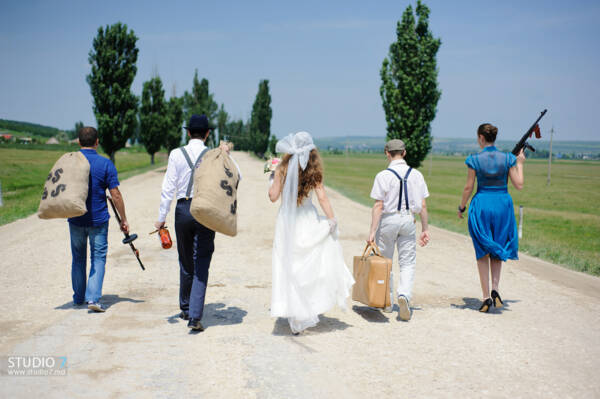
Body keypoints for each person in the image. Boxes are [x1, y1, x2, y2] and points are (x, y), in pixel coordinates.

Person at [155, 114, 236, 331]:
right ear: (208, 133)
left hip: (183, 210)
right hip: (206, 210)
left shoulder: (175, 154)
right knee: (201, 261)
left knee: (185, 260)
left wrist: (161, 218)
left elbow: (167, 189)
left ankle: (185, 306)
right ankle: (195, 316)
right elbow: (237, 175)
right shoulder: (213, 155)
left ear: (188, 132)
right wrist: (226, 153)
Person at [269, 131, 354, 334]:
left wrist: (272, 177)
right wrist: (332, 220)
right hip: (307, 218)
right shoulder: (313, 170)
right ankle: (306, 306)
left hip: (287, 221)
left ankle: (294, 312)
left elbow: (273, 196)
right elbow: (323, 197)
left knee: (287, 263)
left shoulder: (282, 167)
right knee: (308, 264)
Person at [458, 123, 525, 313]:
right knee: (497, 248)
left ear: (481, 137)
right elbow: (519, 184)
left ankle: (486, 296)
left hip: (482, 204)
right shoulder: (508, 158)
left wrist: (462, 206)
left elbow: (468, 187)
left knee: (482, 251)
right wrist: (520, 163)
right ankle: (496, 289)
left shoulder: (474, 159)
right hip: (503, 205)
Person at [367, 139, 430, 321]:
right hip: (408, 219)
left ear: (387, 152)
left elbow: (378, 205)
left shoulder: (382, 176)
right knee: (408, 262)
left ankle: (387, 301)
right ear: (404, 153)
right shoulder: (417, 175)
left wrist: (372, 231)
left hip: (388, 219)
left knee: (386, 261)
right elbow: (423, 205)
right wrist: (425, 229)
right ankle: (404, 295)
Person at [68, 126, 129, 312]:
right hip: (98, 220)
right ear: (97, 142)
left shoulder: (71, 162)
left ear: (78, 142)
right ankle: (93, 299)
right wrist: (124, 219)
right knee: (98, 258)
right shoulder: (105, 164)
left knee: (78, 258)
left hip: (76, 219)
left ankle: (78, 297)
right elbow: (115, 194)